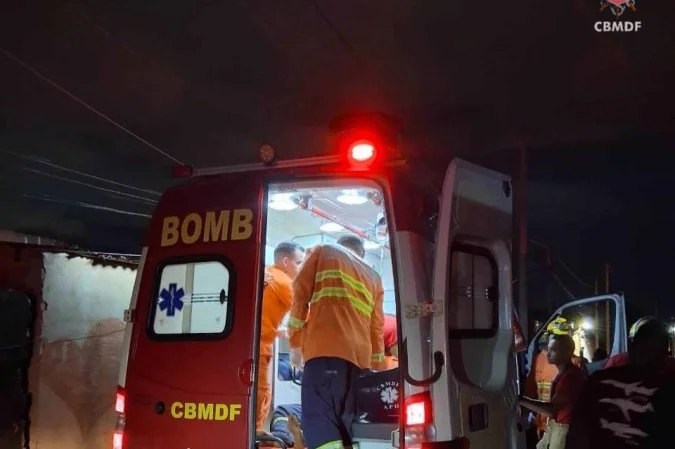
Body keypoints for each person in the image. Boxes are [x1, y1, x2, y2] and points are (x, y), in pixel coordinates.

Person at [287, 235, 386, 449]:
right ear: (361, 254)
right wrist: (376, 374)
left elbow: (300, 294)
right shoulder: (375, 278)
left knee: (320, 425)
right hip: (359, 366)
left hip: (325, 353)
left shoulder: (325, 251)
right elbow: (376, 330)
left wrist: (295, 342)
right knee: (347, 429)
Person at [566, 319, 675, 449]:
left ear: (631, 346)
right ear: (665, 354)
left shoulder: (598, 380)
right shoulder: (668, 386)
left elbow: (577, 432)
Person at [256, 242, 306, 437]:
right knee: (262, 392)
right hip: (259, 347)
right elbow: (306, 317)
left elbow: (259, 314)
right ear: (285, 261)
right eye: (299, 263)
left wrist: (277, 331)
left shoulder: (264, 273)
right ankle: (254, 433)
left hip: (247, 342)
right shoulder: (286, 283)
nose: (301, 268)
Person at [520, 334, 586, 449]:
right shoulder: (564, 374)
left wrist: (521, 400)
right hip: (555, 426)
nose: (548, 354)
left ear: (567, 352)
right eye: (548, 349)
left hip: (563, 429)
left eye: (554, 350)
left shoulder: (571, 377)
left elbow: (552, 409)